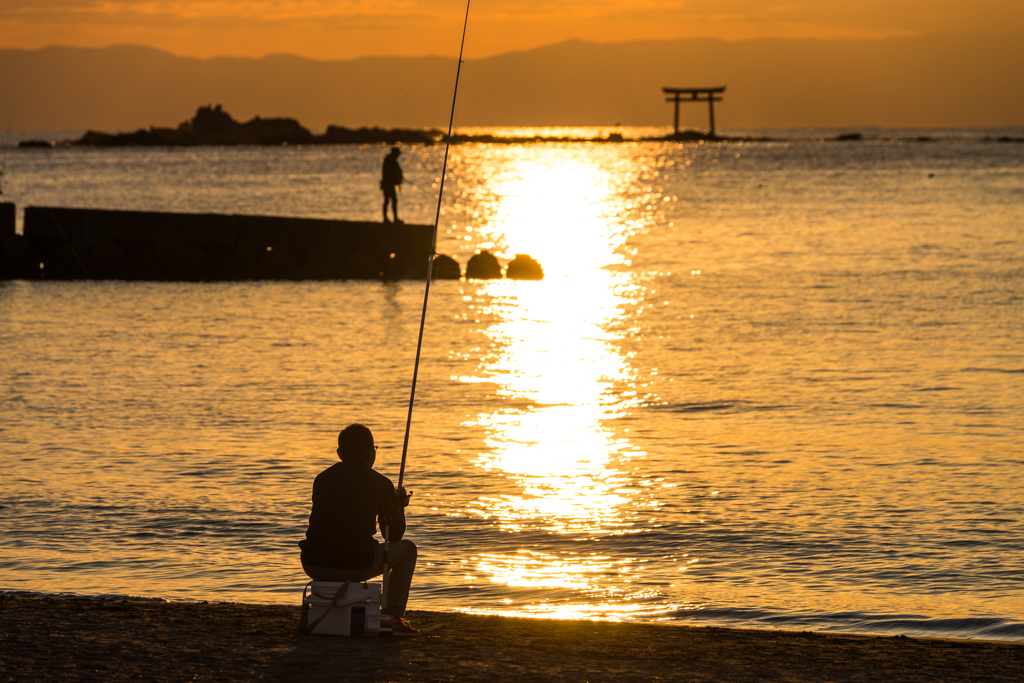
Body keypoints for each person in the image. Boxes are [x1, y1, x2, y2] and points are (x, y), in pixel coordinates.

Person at [299, 423, 420, 636]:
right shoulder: (380, 483)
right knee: (408, 550)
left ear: (339, 453)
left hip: (312, 562)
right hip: (354, 565)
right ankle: (392, 615)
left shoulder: (322, 478)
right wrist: (397, 506)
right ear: (370, 452)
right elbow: (394, 536)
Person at [381, 146, 403, 223]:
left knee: (393, 200)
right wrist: (397, 179)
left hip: (390, 185)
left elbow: (399, 172)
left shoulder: (393, 162)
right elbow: (387, 174)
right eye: (397, 154)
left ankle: (394, 218)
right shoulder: (388, 162)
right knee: (388, 200)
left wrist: (399, 178)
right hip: (387, 185)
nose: (398, 156)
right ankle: (386, 218)